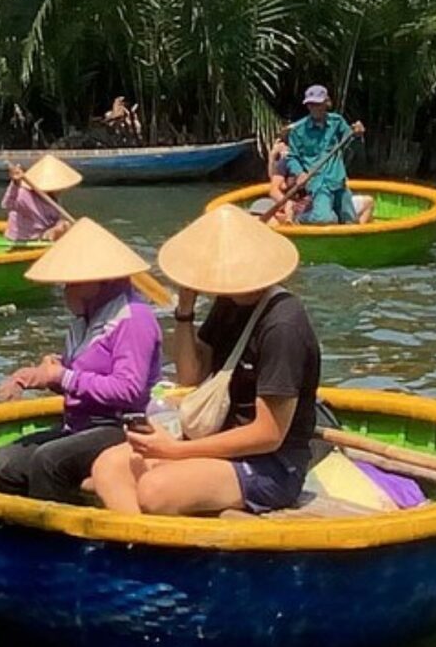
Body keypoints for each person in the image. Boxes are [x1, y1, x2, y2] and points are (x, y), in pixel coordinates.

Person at [88, 205, 321, 516]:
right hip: (217, 440)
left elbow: (269, 434)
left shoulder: (282, 326)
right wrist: (185, 309)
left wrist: (177, 452)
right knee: (109, 467)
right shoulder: (229, 302)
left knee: (155, 490)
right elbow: (190, 375)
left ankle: (149, 546)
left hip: (271, 464)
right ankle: (140, 549)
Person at [0, 219, 162, 503]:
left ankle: (56, 535)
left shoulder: (133, 318)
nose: (66, 289)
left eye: (72, 283)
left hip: (118, 427)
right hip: (78, 425)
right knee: (2, 465)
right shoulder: (85, 320)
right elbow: (74, 378)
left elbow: (129, 389)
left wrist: (63, 377)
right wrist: (38, 376)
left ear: (100, 281)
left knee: (48, 462)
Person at [282, 85, 365, 225]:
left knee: (351, 221)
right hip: (317, 183)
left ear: (326, 103)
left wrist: (357, 134)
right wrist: (300, 173)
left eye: (318, 104)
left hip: (338, 180)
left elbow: (351, 144)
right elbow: (292, 157)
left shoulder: (337, 122)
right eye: (311, 104)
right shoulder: (298, 130)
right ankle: (300, 219)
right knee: (325, 219)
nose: (315, 108)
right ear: (307, 105)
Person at [1, 154, 81, 242]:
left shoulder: (54, 197)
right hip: (24, 239)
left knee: (65, 225)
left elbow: (55, 219)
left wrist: (60, 225)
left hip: (43, 235)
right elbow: (8, 204)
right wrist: (15, 183)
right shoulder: (24, 193)